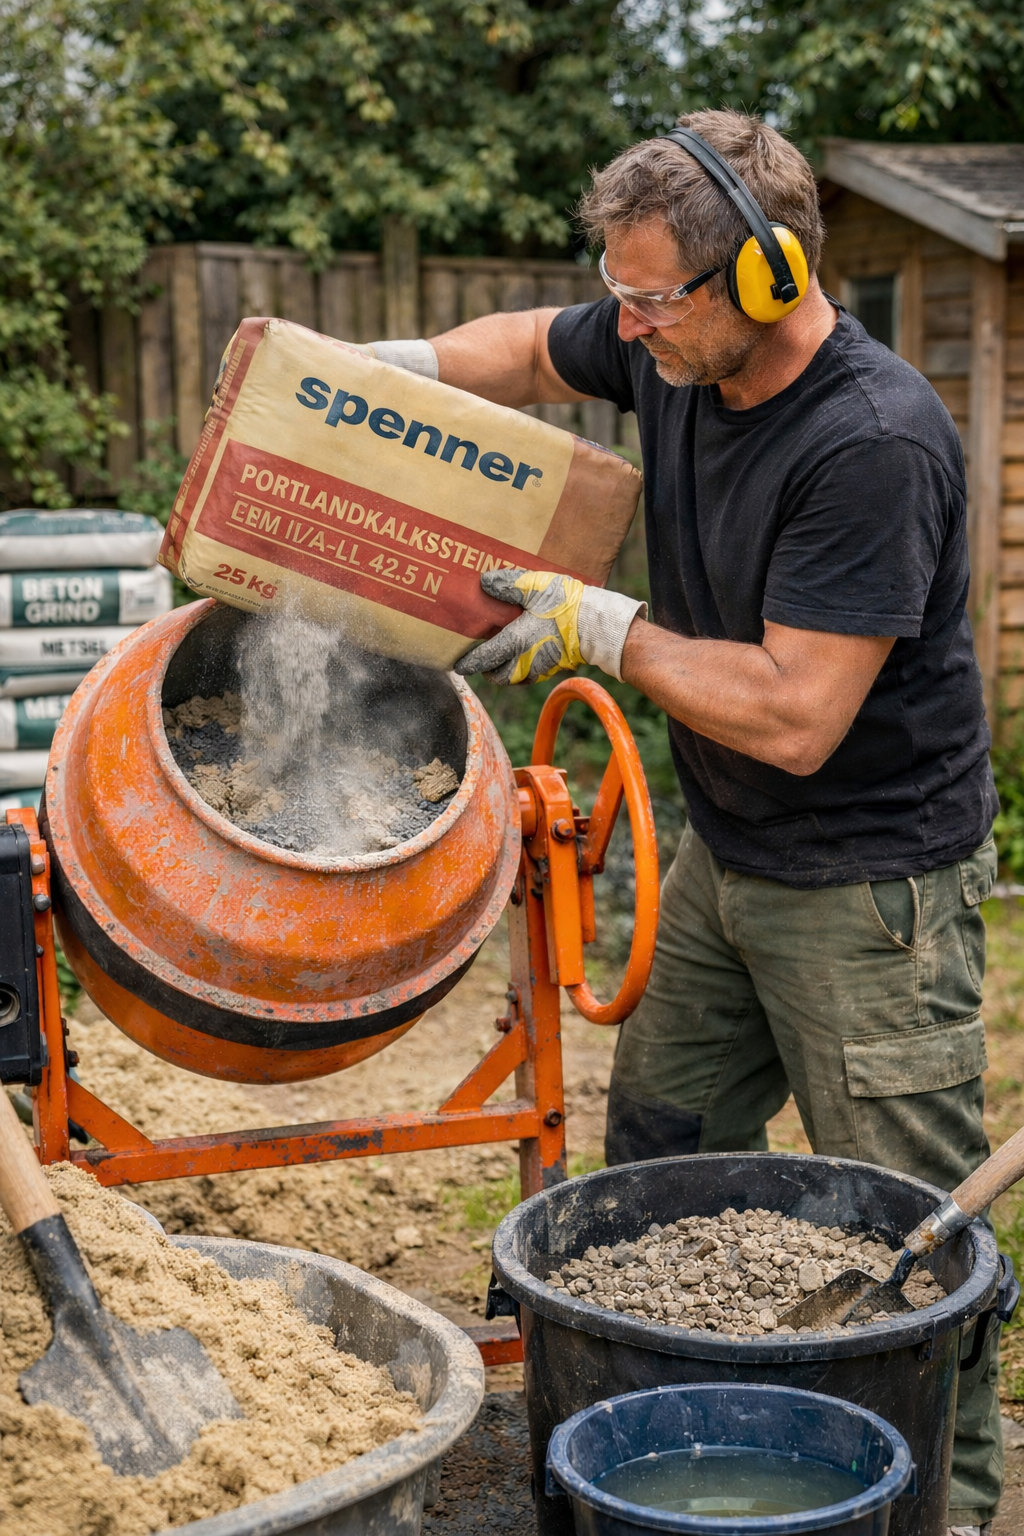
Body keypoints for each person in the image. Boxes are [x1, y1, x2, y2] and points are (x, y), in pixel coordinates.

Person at [371, 108, 1002, 1536]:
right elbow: (529, 350)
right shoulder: (669, 346)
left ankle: (951, 1502)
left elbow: (795, 713)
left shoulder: (871, 441)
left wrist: (602, 626)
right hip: (730, 858)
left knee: (910, 1229)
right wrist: (376, 372)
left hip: (872, 895)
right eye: (622, 290)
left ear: (769, 276)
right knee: (658, 1159)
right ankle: (677, 1433)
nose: (629, 323)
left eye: (654, 297)